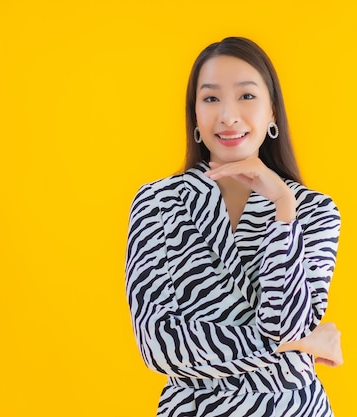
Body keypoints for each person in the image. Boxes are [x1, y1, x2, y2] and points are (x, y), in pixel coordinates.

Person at [125, 37, 343, 417]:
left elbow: (287, 323)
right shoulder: (157, 203)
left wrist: (283, 208)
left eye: (246, 96)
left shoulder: (314, 210)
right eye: (210, 99)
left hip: (294, 408)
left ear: (273, 111)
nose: (227, 115)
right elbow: (158, 346)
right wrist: (299, 345)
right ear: (194, 115)